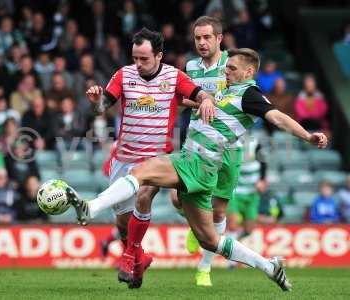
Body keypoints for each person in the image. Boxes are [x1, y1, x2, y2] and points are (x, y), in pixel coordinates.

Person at [70, 48, 328, 291]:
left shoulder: (250, 95)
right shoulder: (227, 93)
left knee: (141, 172)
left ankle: (91, 208)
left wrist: (307, 136)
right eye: (226, 68)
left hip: (197, 162)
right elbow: (187, 102)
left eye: (233, 69)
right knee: (210, 240)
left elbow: (277, 117)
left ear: (249, 72)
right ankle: (270, 267)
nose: (226, 72)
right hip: (202, 169)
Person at [79, 27, 215, 288]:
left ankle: (130, 256)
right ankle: (140, 261)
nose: (138, 64)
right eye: (135, 58)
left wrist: (207, 101)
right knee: (122, 224)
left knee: (144, 198)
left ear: (159, 56)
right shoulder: (123, 74)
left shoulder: (174, 77)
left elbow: (200, 94)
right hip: (124, 159)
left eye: (144, 58)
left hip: (155, 159)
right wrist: (95, 101)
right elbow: (101, 108)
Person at [172, 16, 244, 287]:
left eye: (206, 38)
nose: (201, 43)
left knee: (218, 213)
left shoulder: (233, 64)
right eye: (197, 38)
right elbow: (185, 97)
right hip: (197, 142)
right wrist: (201, 101)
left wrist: (216, 102)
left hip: (229, 146)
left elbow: (243, 97)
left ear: (218, 39)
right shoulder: (191, 66)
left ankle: (204, 268)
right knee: (177, 200)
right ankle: (193, 224)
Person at [226, 135, 265, 244]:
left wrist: (262, 180)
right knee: (233, 224)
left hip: (252, 192)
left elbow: (264, 163)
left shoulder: (255, 143)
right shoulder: (228, 144)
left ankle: (233, 243)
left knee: (249, 229)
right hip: (235, 192)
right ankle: (231, 257)